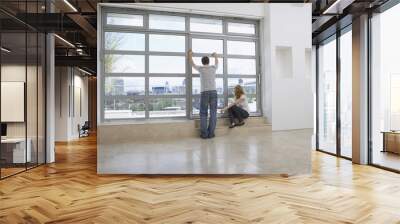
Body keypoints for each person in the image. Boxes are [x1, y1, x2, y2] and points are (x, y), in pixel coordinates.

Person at [188, 49, 218, 139]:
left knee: (203, 113)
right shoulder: (213, 68)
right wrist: (215, 55)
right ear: (208, 62)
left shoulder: (201, 69)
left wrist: (190, 54)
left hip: (204, 92)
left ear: (202, 62)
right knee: (213, 113)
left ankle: (204, 134)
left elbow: (192, 63)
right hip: (213, 92)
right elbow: (217, 62)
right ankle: (211, 133)